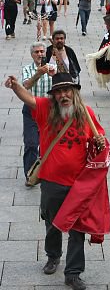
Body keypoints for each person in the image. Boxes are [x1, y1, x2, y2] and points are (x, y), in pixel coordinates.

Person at [5, 72, 108, 290]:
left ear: (74, 92)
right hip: (51, 181)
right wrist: (15, 86)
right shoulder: (45, 110)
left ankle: (73, 273)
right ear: (53, 95)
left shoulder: (86, 114)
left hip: (78, 184)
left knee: (78, 228)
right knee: (52, 224)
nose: (63, 95)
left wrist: (100, 141)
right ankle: (53, 257)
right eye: (59, 91)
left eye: (67, 90)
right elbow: (28, 98)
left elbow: (99, 138)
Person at [21, 42, 55, 184]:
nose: (40, 54)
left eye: (42, 51)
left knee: (48, 143)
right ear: (32, 54)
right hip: (32, 110)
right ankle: (30, 175)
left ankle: (46, 172)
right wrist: (38, 73)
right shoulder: (27, 69)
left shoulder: (53, 68)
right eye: (37, 52)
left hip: (50, 111)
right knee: (31, 143)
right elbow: (26, 85)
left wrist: (55, 75)